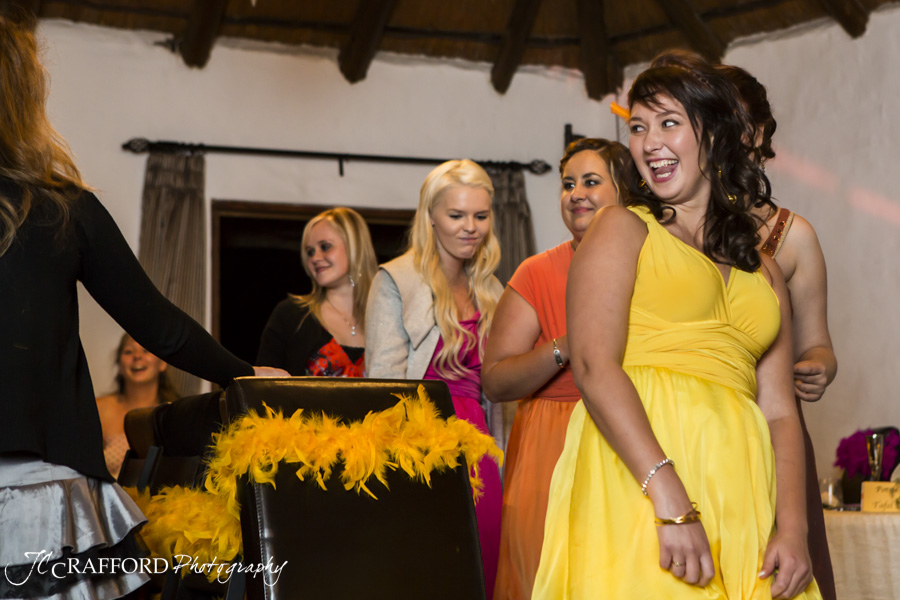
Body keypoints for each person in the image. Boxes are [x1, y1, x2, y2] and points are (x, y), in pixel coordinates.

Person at [0, 15, 285, 599]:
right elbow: (158, 323)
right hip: (40, 490)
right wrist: (244, 375)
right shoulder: (63, 208)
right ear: (26, 94)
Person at [532, 53, 821, 599]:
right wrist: (668, 497)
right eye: (639, 127)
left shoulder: (765, 270)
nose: (648, 143)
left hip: (742, 482)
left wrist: (793, 528)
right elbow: (593, 365)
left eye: (668, 123)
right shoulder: (621, 228)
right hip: (642, 475)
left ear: (714, 133)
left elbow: (780, 411)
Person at [481, 138, 632, 600]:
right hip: (550, 446)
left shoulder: (652, 263)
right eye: (568, 184)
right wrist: (565, 346)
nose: (576, 194)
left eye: (591, 182)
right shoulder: (537, 272)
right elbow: (495, 380)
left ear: (625, 191)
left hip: (627, 436)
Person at [719, 62, 838, 600]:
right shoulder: (669, 226)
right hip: (686, 416)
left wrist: (818, 367)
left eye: (734, 121)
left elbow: (819, 344)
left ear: (760, 132)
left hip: (770, 423)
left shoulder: (793, 237)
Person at [365, 159, 503, 599]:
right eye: (456, 215)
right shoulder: (395, 280)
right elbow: (382, 386)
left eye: (480, 216)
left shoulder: (493, 291)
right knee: (429, 572)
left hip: (481, 446)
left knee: (485, 565)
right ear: (430, 217)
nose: (471, 228)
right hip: (420, 443)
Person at [257, 207, 377, 376]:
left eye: (325, 247)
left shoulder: (385, 317)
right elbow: (261, 385)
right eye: (310, 252)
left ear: (354, 247)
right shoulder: (291, 315)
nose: (315, 258)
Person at [96, 334, 179, 478]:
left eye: (146, 350)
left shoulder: (175, 413)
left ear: (163, 363)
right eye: (128, 351)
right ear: (119, 366)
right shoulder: (99, 408)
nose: (137, 356)